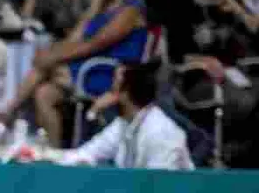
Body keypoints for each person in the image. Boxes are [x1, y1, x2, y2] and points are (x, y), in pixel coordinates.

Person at [0, 0, 148, 148]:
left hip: (109, 73)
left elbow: (95, 44)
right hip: (87, 67)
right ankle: (54, 150)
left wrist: (55, 56)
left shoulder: (130, 10)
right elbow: (73, 40)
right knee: (43, 94)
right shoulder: (103, 10)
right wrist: (92, 10)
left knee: (46, 66)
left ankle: (9, 112)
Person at [62, 62, 194, 168]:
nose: (108, 94)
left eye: (114, 89)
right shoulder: (122, 124)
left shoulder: (160, 131)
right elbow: (86, 153)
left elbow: (160, 187)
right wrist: (48, 155)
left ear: (125, 94)